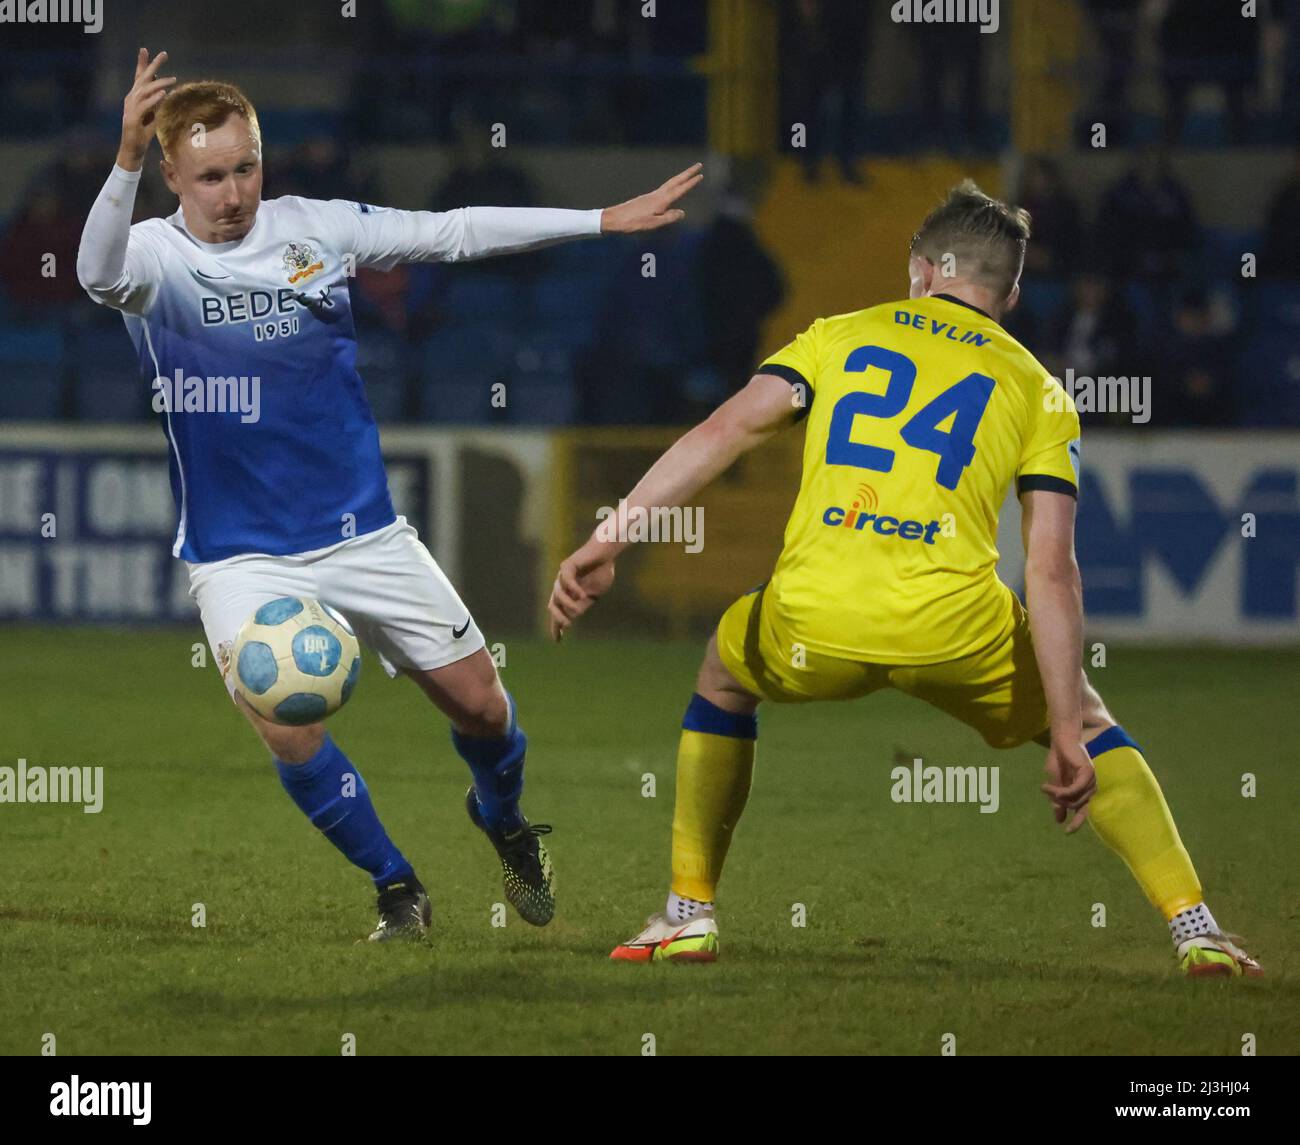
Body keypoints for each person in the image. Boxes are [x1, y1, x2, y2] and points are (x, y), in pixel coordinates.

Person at [547, 180, 1262, 979]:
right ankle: (1195, 928)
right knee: (1096, 724)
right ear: (1013, 293)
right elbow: (1053, 570)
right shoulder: (1040, 390)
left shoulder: (837, 336)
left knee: (721, 674)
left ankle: (688, 912)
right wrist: (1063, 724)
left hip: (814, 617)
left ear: (921, 269)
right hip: (954, 627)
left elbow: (723, 430)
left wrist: (609, 537)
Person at [76, 48, 702, 942]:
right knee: (284, 724)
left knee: (486, 707)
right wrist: (123, 158)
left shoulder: (315, 228)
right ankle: (396, 886)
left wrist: (599, 220)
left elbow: (450, 232)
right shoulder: (153, 259)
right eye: (210, 175)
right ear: (173, 173)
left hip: (362, 531)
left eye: (246, 167)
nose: (232, 192)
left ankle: (503, 816)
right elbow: (93, 274)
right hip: (237, 551)